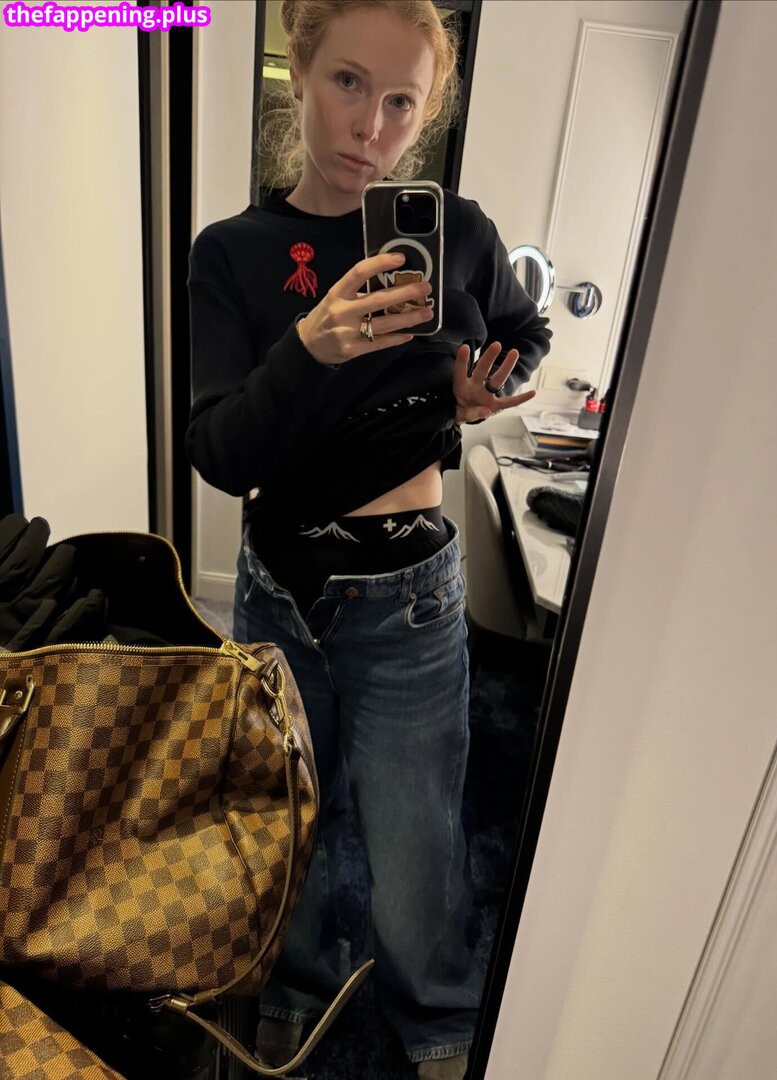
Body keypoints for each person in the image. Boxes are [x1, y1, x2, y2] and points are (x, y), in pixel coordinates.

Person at [185, 2, 552, 1076]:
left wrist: (486, 385)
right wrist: (309, 345)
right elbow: (219, 453)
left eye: (401, 102)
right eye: (348, 83)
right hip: (279, 587)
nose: (371, 127)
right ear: (298, 73)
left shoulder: (461, 232)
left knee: (417, 833)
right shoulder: (232, 253)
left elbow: (523, 332)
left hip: (411, 595)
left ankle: (436, 1008)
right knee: (286, 816)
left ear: (425, 115)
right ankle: (295, 978)